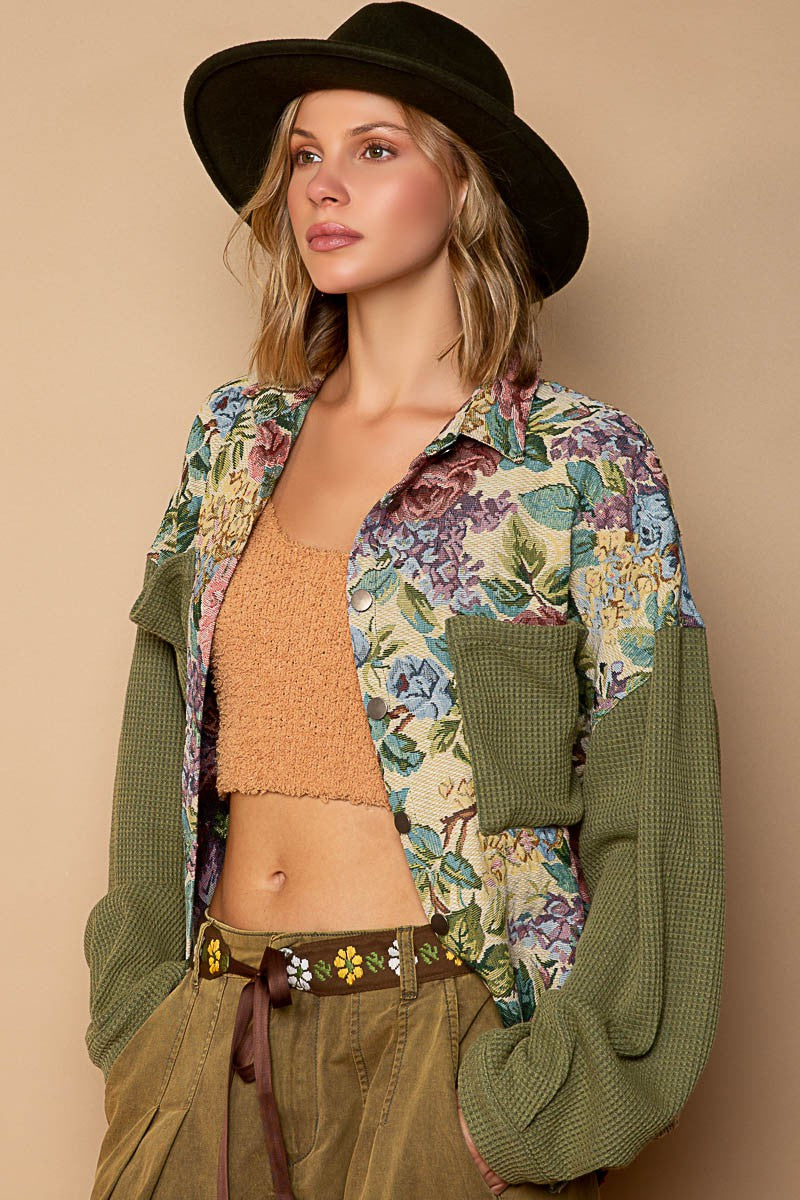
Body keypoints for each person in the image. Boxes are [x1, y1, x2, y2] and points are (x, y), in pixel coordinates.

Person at [83, 5, 725, 1199]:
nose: (323, 186)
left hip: (447, 1043)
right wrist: (140, 1019)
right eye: (303, 155)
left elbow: (653, 807)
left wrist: (532, 1105)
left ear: (465, 186)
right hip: (215, 1029)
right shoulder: (233, 442)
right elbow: (155, 737)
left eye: (374, 149)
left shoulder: (578, 464)